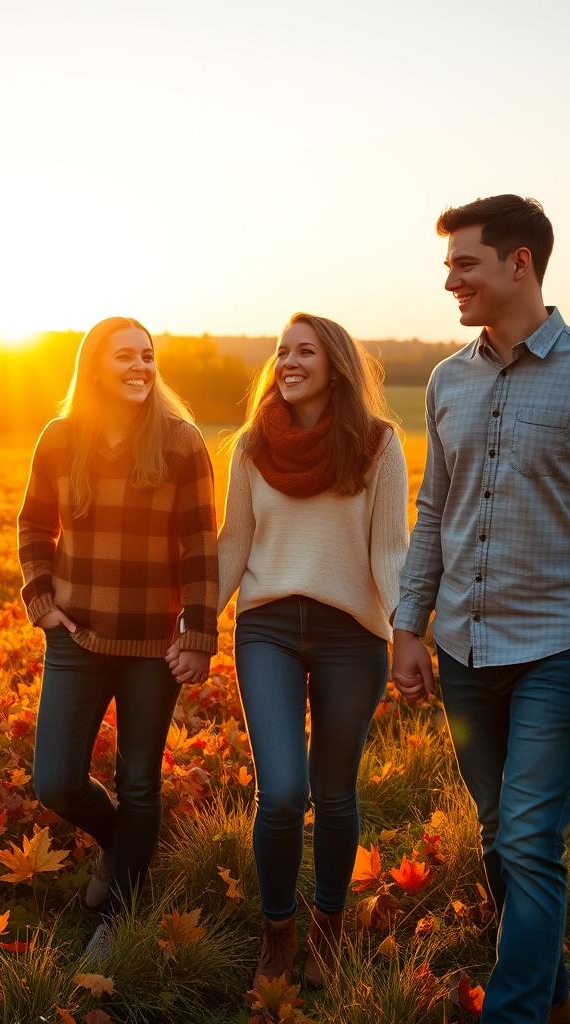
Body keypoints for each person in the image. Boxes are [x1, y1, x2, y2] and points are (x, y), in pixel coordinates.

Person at [392, 195, 570, 1024]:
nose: (449, 282)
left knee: (527, 840)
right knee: (494, 838)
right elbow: (435, 512)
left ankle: (513, 1013)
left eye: (463, 264)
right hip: (464, 654)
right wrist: (410, 623)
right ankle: (551, 993)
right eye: (447, 266)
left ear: (520, 264)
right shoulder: (448, 380)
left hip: (559, 652)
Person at [203, 312, 409, 988]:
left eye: (306, 352)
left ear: (336, 365)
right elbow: (233, 543)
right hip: (267, 628)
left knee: (335, 791)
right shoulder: (251, 446)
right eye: (282, 351)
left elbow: (388, 550)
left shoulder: (378, 445)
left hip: (353, 634)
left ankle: (328, 929)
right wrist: (197, 624)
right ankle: (278, 931)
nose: (289, 361)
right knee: (283, 792)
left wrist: (407, 629)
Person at [17, 316, 218, 960]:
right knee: (55, 781)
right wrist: (42, 602)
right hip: (76, 641)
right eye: (125, 355)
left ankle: (119, 916)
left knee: (139, 783)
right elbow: (33, 524)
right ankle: (122, 844)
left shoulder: (182, 443)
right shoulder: (60, 438)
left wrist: (198, 632)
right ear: (94, 366)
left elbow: (199, 547)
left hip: (153, 650)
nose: (140, 365)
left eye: (148, 355)